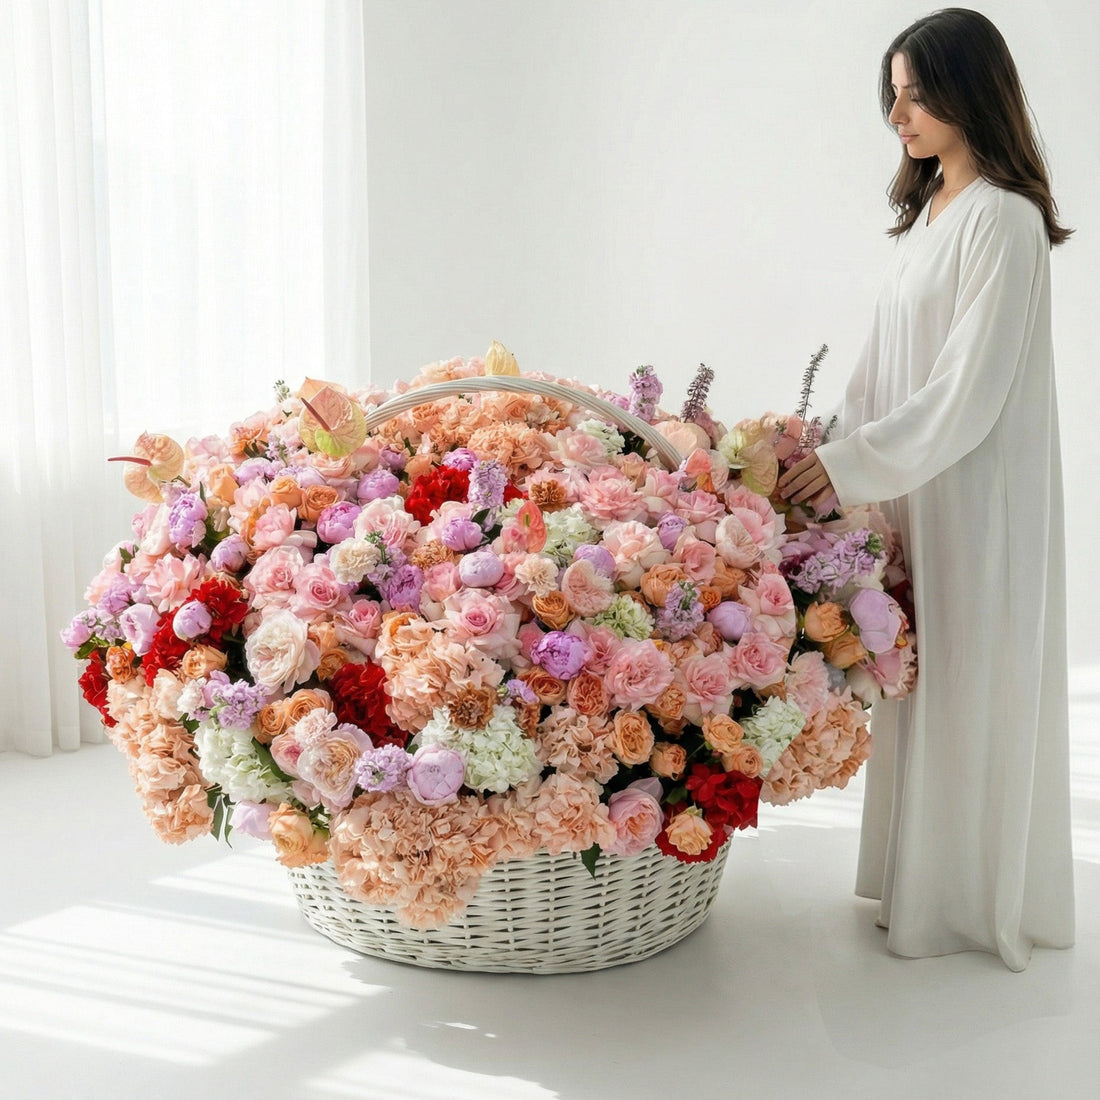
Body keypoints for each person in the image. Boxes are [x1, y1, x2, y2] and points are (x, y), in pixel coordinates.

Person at [777, 7, 1075, 971]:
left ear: (971, 92)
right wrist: (827, 457)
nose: (899, 113)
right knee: (919, 677)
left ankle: (964, 903)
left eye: (918, 92)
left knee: (971, 679)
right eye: (892, 93)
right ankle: (920, 881)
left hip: (975, 495)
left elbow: (969, 389)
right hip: (912, 490)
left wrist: (854, 463)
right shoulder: (929, 217)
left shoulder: (1006, 219)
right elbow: (880, 369)